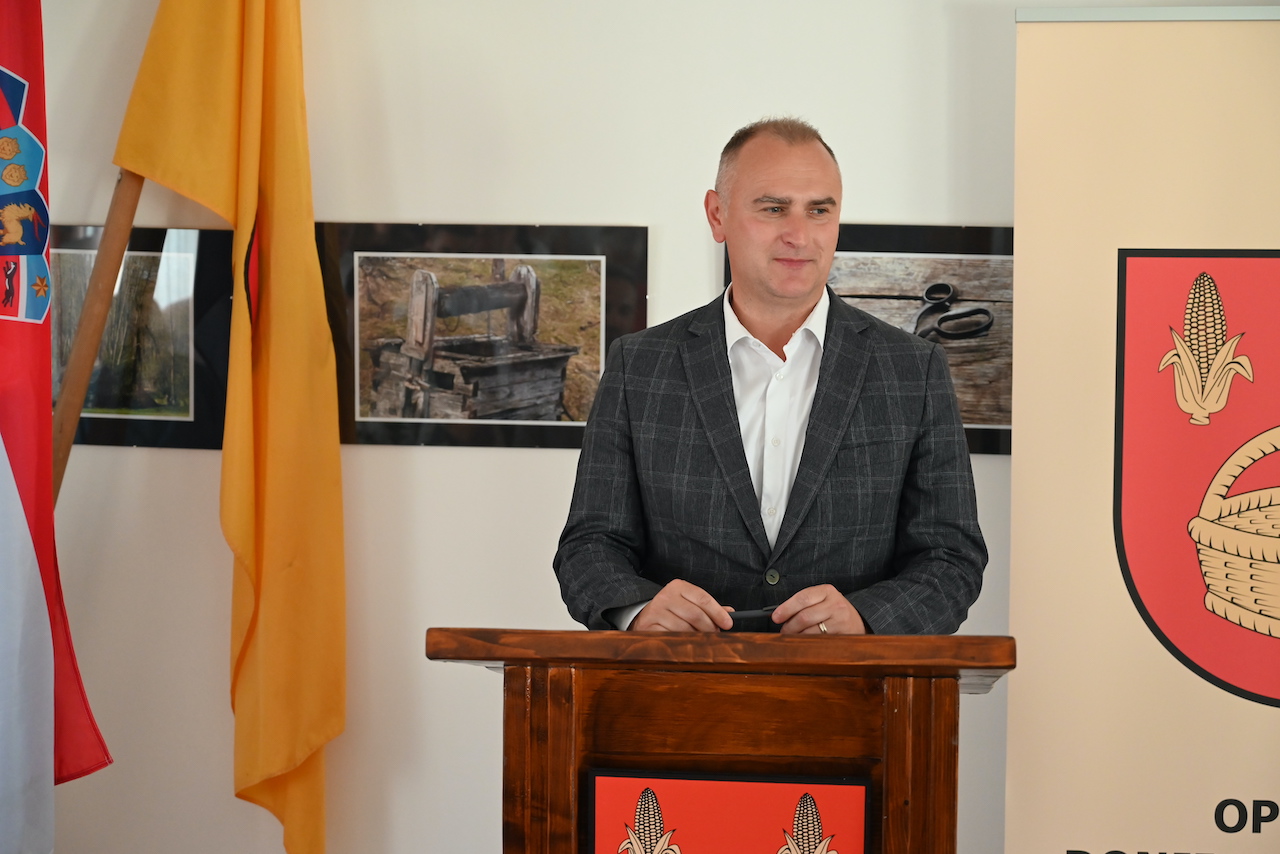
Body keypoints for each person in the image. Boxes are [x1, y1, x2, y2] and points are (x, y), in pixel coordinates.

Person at [554, 117, 985, 635]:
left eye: (819, 211)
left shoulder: (913, 370)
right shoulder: (639, 366)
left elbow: (951, 558)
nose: (799, 236)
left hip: (853, 684)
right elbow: (589, 546)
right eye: (774, 208)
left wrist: (866, 619)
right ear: (717, 215)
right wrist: (638, 609)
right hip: (678, 679)